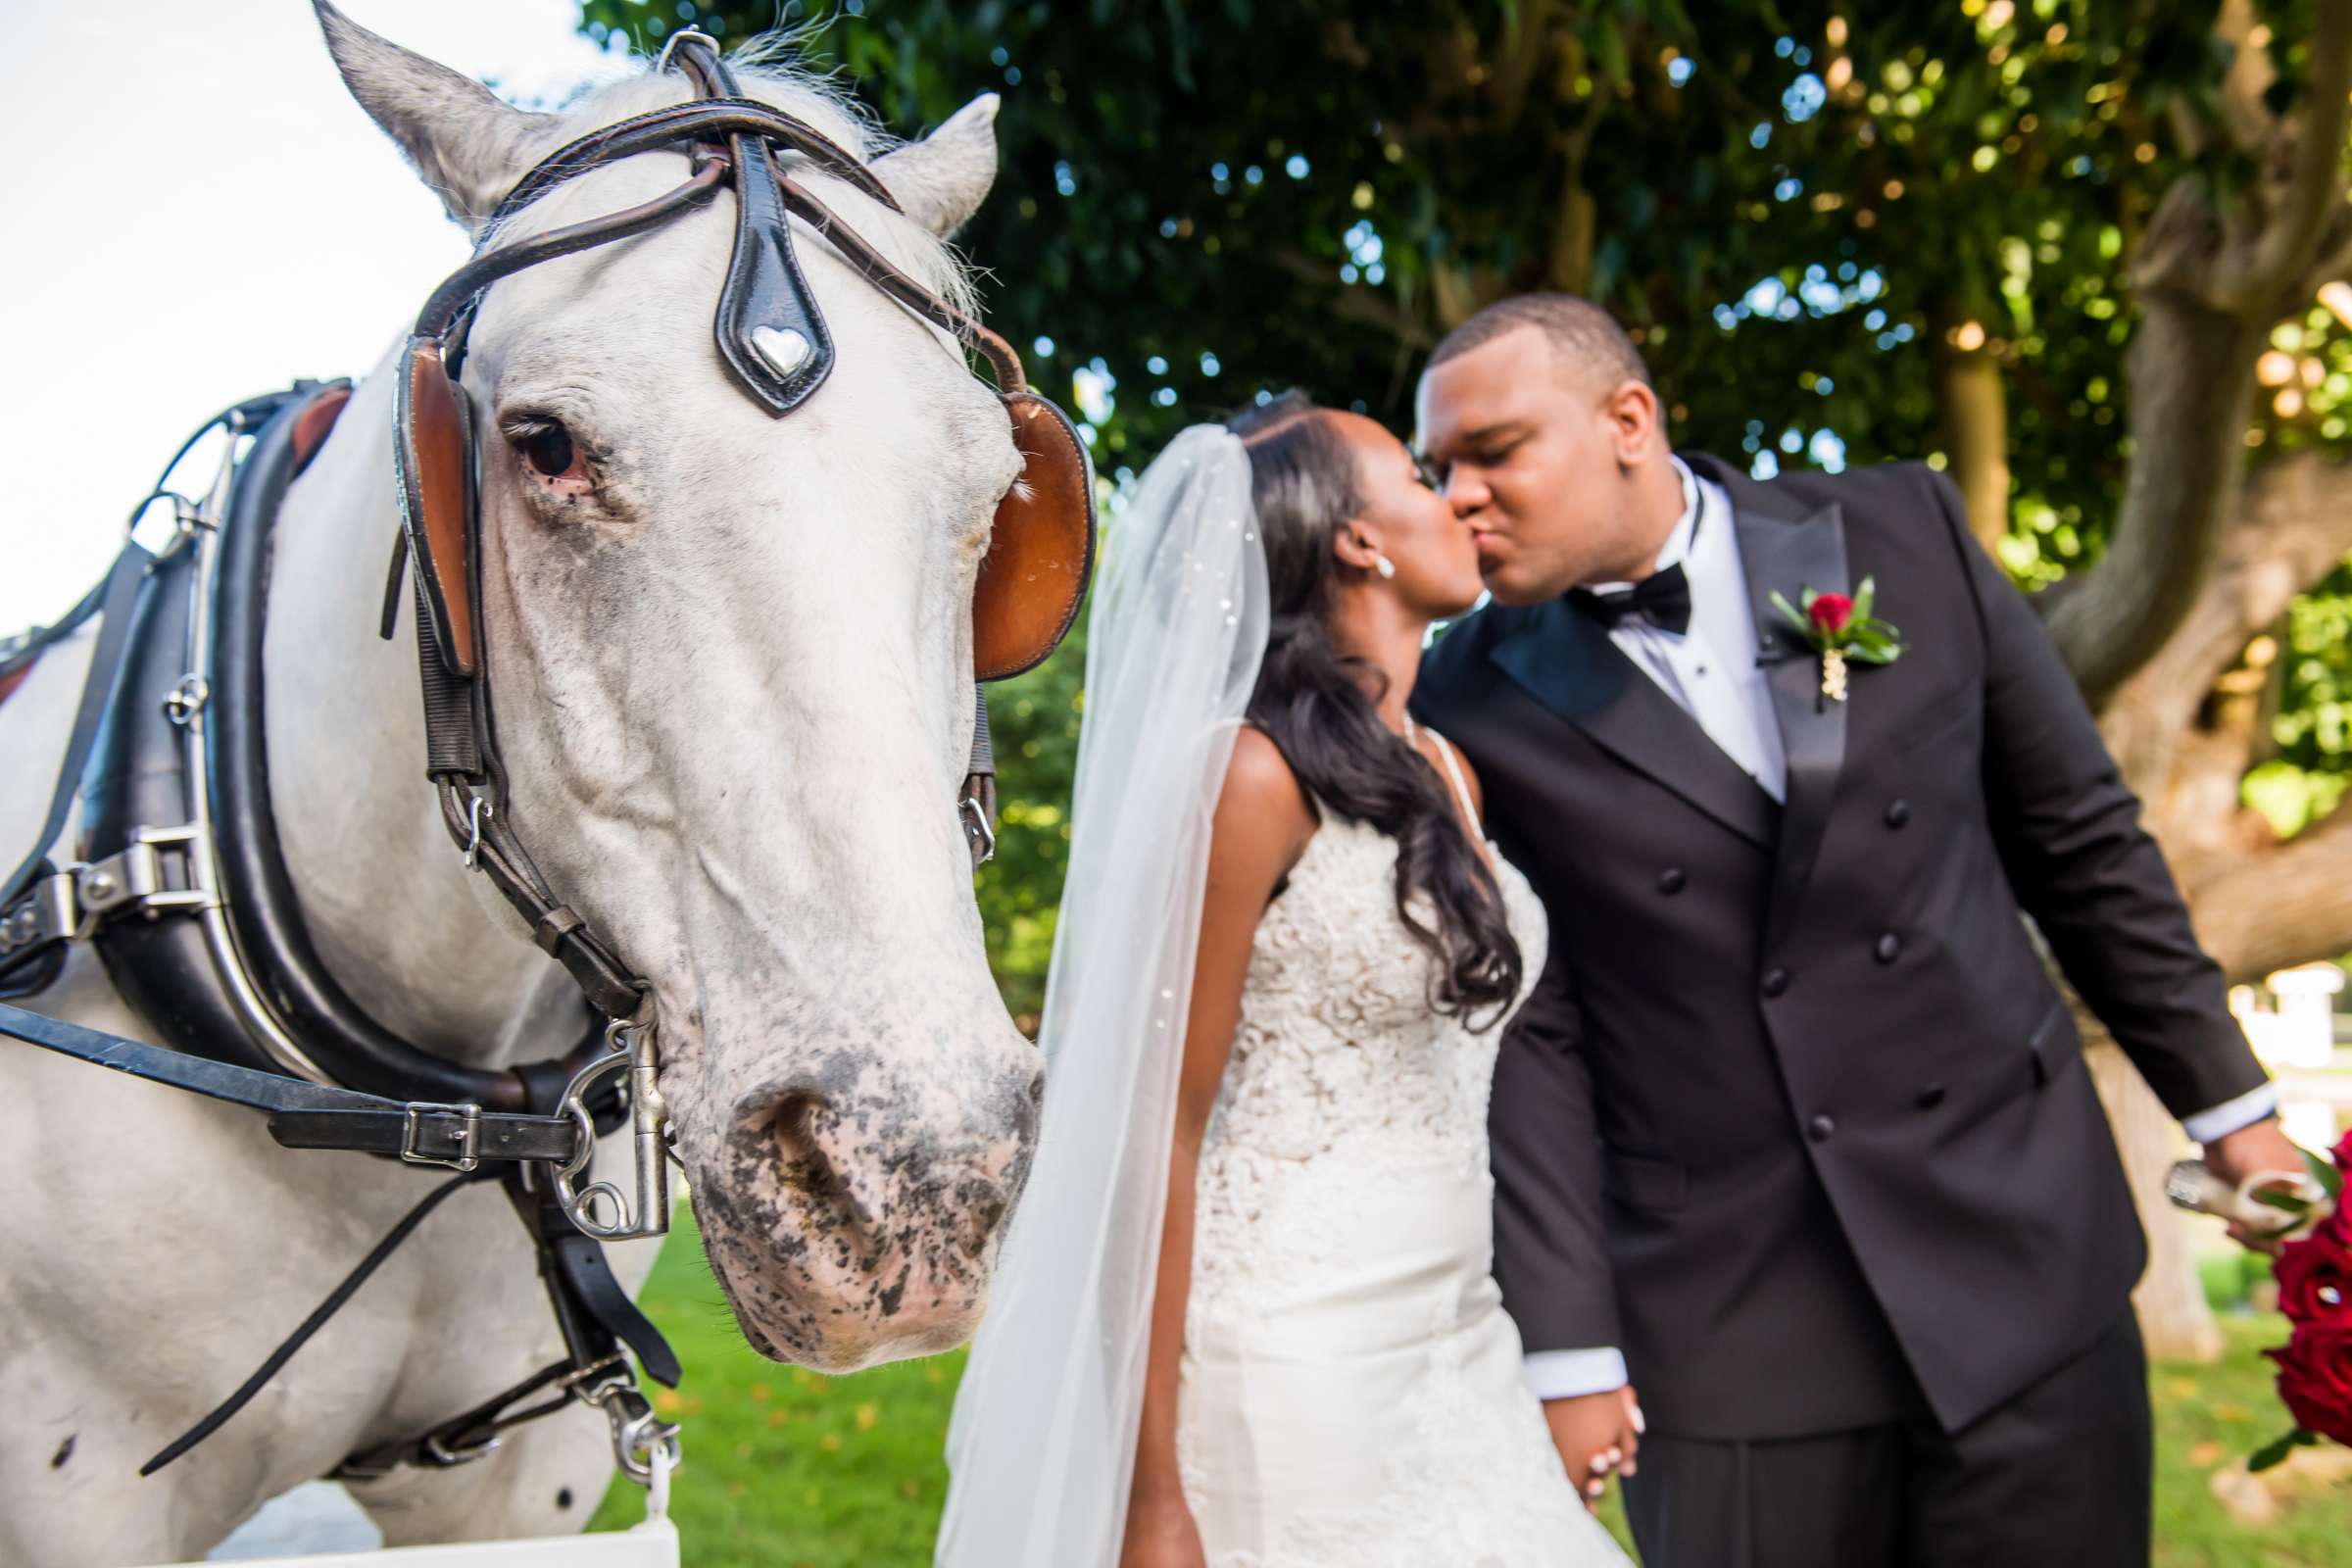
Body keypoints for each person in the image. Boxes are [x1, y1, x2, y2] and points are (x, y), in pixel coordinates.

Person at [1409, 293, 2301, 1568]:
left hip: (2022, 1262)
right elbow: (1529, 1040)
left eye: (1493, 452)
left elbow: (2082, 844)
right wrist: (1571, 1343)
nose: (1459, 497)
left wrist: (2236, 1115)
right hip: (1728, 1328)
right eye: (1439, 470)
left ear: (1627, 420)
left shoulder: (1904, 533)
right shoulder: (1461, 699)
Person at [936, 397, 1628, 1567]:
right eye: (1419, 476)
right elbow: (1152, 1132)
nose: (1457, 495)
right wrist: (1151, 1496)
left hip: (1458, 1345)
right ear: (1359, 540)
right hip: (1291, 1371)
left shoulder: (1441, 768)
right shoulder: (1247, 777)